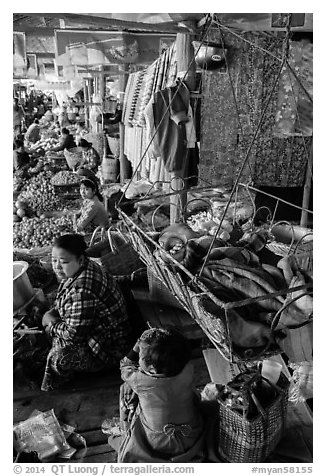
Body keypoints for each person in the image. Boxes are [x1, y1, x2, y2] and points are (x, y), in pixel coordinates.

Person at [41, 233, 134, 391]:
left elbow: (75, 334)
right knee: (45, 306)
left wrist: (51, 323)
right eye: (54, 260)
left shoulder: (82, 290)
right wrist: (53, 315)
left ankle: (79, 375)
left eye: (63, 262)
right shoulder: (88, 266)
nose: (56, 266)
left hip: (110, 347)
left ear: (81, 259)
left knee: (58, 358)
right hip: (103, 327)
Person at [106, 328, 206, 462]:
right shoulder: (188, 368)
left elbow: (125, 366)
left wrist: (137, 345)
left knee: (126, 390)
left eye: (141, 355)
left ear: (152, 368)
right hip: (192, 434)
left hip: (157, 442)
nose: (139, 355)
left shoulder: (141, 381)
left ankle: (126, 431)